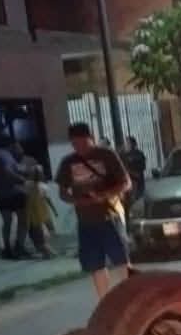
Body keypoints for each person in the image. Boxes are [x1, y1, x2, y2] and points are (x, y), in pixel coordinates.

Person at [56, 122, 131, 298]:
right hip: (86, 222)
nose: (79, 148)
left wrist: (104, 195)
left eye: (83, 143)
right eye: (75, 144)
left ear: (92, 138)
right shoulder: (68, 162)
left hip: (110, 216)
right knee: (96, 266)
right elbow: (62, 192)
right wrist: (76, 200)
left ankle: (130, 298)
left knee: (122, 261)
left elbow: (126, 183)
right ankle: (104, 302)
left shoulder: (107, 155)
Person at [0, 138, 31, 258]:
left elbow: (13, 168)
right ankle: (19, 247)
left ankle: (7, 249)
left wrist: (23, 170)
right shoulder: (5, 155)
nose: (21, 149)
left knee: (7, 222)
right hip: (14, 193)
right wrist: (23, 180)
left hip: (0, 195)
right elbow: (8, 171)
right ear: (12, 145)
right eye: (19, 146)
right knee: (23, 220)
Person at [25, 166, 57, 258]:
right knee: (41, 236)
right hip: (41, 214)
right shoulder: (43, 187)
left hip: (33, 215)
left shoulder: (27, 185)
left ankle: (50, 253)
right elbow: (48, 201)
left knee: (37, 237)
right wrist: (55, 211)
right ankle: (50, 253)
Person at [120, 135, 147, 217]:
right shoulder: (123, 154)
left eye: (127, 143)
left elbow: (142, 167)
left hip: (136, 181)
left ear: (133, 144)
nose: (126, 144)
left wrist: (130, 172)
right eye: (125, 143)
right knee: (129, 201)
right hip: (128, 182)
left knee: (136, 200)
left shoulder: (138, 154)